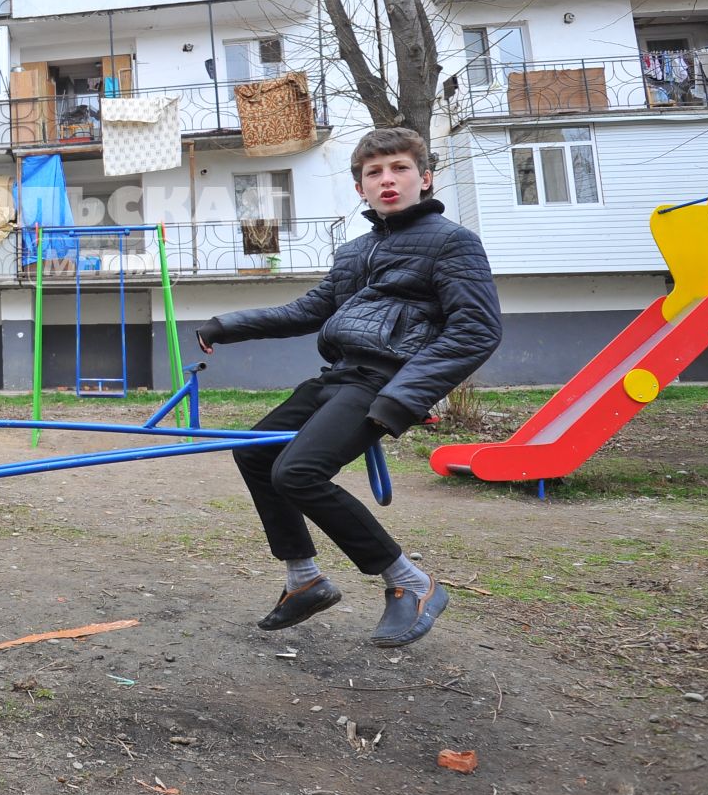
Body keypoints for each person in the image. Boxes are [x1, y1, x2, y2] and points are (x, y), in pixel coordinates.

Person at [195, 128, 501, 647]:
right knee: (252, 452)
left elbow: (477, 330)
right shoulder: (356, 250)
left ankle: (412, 582)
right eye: (374, 172)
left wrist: (405, 397)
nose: (387, 180)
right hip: (339, 376)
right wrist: (228, 325)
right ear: (360, 187)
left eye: (400, 169)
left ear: (424, 179)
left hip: (387, 379)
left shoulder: (452, 242)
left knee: (298, 472)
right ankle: (304, 579)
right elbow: (311, 311)